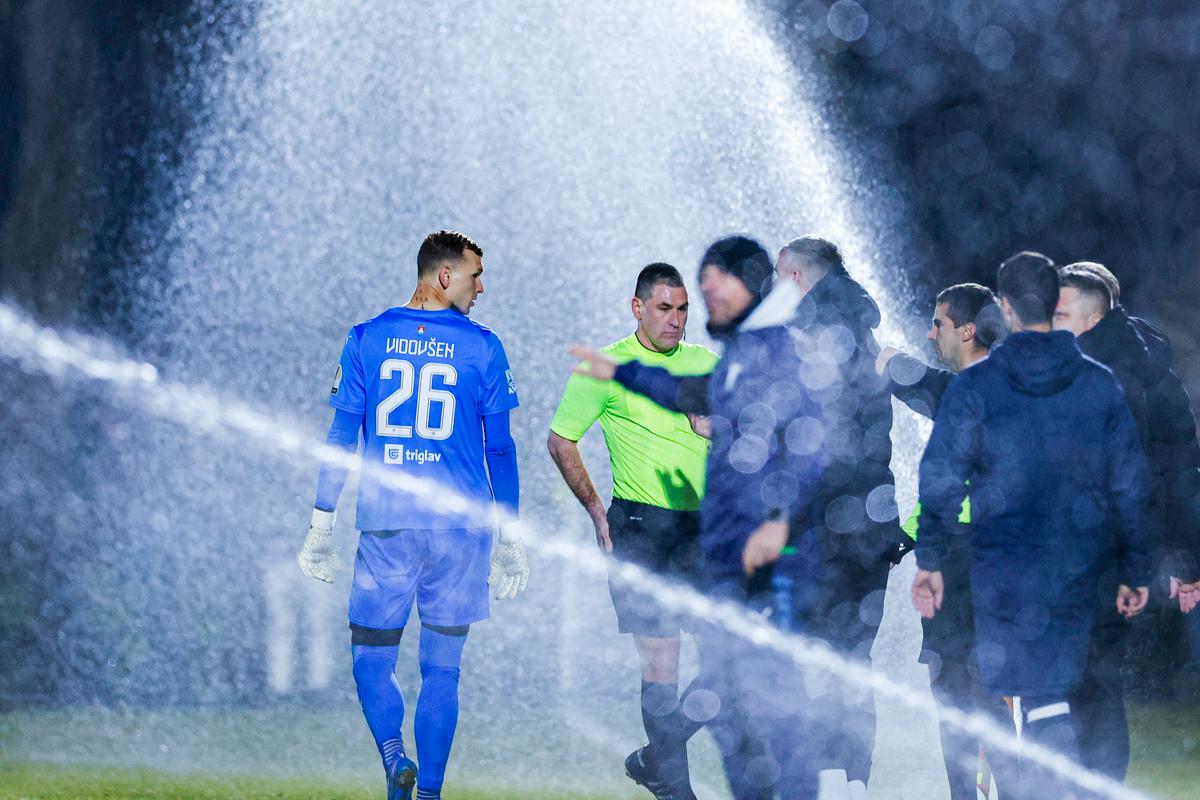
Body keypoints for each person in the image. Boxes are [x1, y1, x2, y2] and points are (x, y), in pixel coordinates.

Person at [571, 236, 830, 799]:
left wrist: (778, 519)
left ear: (752, 286)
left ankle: (663, 759)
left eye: (713, 286)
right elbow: (690, 391)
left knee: (767, 701)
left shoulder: (776, 350)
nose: (702, 297)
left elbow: (811, 441)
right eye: (700, 285)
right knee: (731, 704)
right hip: (711, 549)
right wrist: (622, 372)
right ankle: (674, 773)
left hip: (762, 557)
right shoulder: (740, 353)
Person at [297, 230, 529, 800]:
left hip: (389, 527)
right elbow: (501, 450)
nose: (482, 287)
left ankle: (394, 757)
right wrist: (510, 537)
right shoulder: (484, 346)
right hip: (461, 532)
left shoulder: (367, 337)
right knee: (442, 671)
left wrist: (321, 525)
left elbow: (341, 438)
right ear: (445, 276)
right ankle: (429, 794)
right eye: (476, 275)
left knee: (370, 659)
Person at [913, 251, 1152, 799]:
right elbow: (1129, 482)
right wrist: (1136, 566)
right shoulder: (1098, 384)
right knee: (1070, 699)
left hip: (1004, 574)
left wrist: (930, 559)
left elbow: (942, 476)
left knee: (1029, 700)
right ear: (1053, 304)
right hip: (1080, 570)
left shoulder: (977, 386)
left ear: (1003, 308)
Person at [547, 262, 719, 800]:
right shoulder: (606, 366)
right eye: (664, 308)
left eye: (683, 309)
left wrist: (718, 428)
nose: (676, 320)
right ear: (637, 307)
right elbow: (561, 440)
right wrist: (596, 509)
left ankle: (655, 756)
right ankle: (676, 791)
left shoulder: (706, 364)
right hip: (641, 526)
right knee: (661, 665)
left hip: (704, 531)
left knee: (731, 664)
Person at [772, 237, 908, 797]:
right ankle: (852, 785)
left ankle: (827, 783)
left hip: (824, 529)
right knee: (853, 660)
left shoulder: (811, 337)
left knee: (815, 661)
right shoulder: (866, 334)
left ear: (797, 279)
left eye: (779, 276)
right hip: (873, 528)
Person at [878, 283, 1009, 800]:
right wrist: (908, 538)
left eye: (939, 324)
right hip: (956, 561)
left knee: (981, 692)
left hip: (982, 563)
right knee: (951, 691)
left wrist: (891, 363)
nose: (931, 334)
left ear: (968, 331)